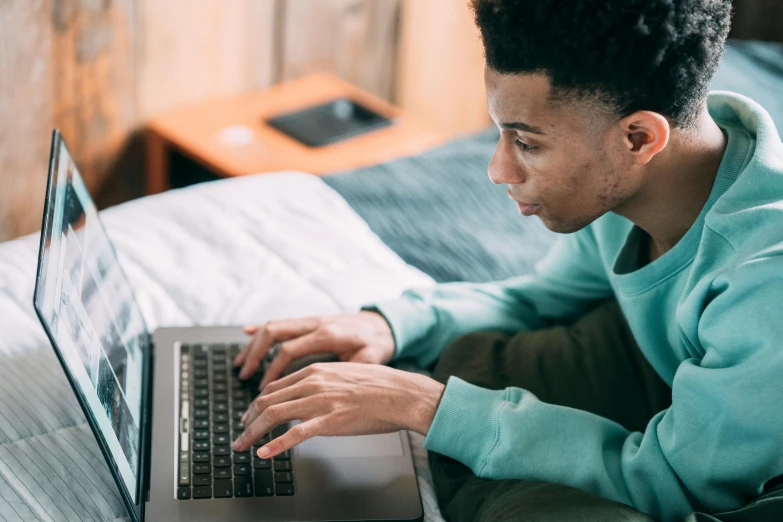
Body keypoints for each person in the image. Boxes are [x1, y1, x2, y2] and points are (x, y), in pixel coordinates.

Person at [231, 0, 783, 520]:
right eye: (500, 133)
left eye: (527, 143)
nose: (498, 170)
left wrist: (426, 406)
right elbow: (539, 299)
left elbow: (681, 484)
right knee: (468, 358)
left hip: (740, 487)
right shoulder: (630, 190)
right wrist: (390, 323)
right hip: (672, 396)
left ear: (639, 137)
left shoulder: (764, 281)